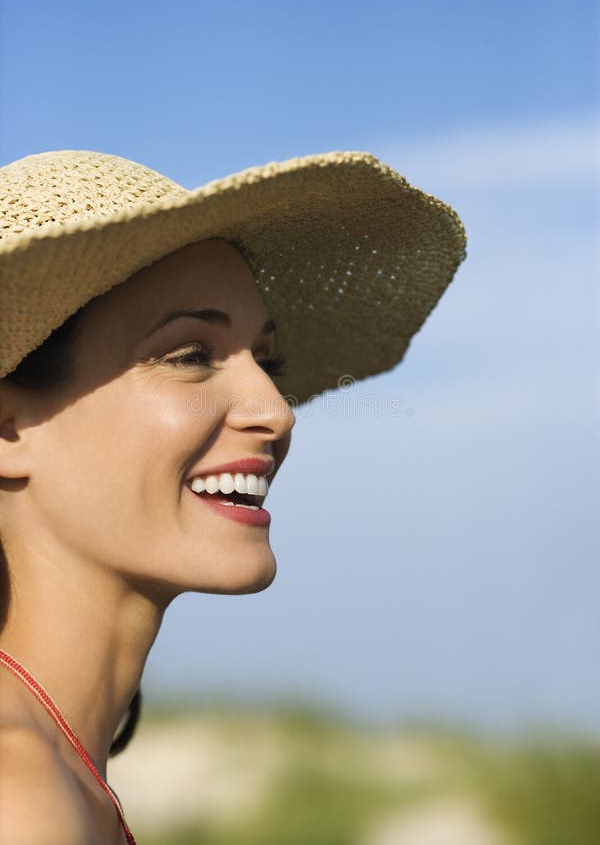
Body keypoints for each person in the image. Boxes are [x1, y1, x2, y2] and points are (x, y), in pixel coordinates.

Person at [0, 148, 466, 844]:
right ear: (9, 430)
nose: (276, 410)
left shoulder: (57, 772)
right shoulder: (22, 797)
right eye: (190, 355)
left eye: (267, 361)